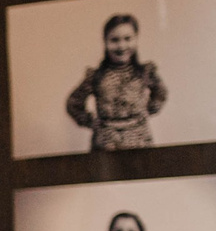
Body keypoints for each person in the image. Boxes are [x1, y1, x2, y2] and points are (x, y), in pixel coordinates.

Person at [64, 13, 166, 151]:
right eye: (114, 40)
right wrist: (91, 122)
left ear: (136, 39)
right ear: (105, 42)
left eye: (127, 39)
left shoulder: (145, 72)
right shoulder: (96, 76)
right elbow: (73, 103)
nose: (121, 45)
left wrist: (149, 109)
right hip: (106, 143)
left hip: (139, 141)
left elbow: (160, 92)